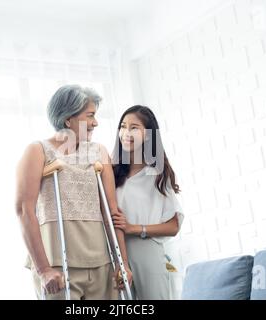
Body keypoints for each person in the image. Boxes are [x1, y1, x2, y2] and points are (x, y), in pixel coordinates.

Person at [15, 85, 132, 300]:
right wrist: (43, 270)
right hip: (57, 265)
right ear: (68, 119)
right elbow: (24, 211)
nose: (95, 122)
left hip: (100, 261)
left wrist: (122, 263)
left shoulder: (99, 152)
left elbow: (111, 212)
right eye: (90, 116)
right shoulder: (37, 150)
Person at [111, 105, 184, 300]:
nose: (126, 133)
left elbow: (174, 225)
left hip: (146, 251)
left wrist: (134, 228)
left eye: (134, 127)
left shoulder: (157, 175)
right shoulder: (110, 172)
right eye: (123, 126)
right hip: (114, 253)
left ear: (149, 135)